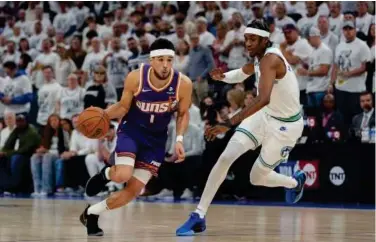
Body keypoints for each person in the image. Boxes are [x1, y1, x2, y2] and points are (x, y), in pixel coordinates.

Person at [176, 20, 307, 236]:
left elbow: (262, 98)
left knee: (257, 177)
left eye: (252, 39)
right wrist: (224, 76)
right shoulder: (259, 58)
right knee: (226, 157)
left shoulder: (271, 60)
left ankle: (295, 182)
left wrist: (227, 123)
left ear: (265, 40)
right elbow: (244, 71)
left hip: (286, 126)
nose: (247, 43)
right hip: (265, 116)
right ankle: (199, 215)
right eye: (246, 39)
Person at [78, 38, 193, 236]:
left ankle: (92, 213)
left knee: (132, 192)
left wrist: (180, 140)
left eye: (169, 60)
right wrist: (104, 115)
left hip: (156, 140)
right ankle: (104, 175)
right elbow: (123, 107)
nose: (165, 65)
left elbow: (183, 113)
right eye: (160, 60)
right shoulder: (136, 77)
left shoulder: (183, 83)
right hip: (132, 131)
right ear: (151, 60)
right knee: (122, 174)